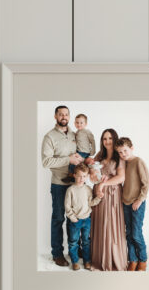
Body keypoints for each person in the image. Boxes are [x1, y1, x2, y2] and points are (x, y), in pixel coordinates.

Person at [41, 105, 84, 266]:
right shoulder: (49, 137)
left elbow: (80, 155)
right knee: (58, 218)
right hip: (59, 185)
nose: (64, 117)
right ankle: (57, 253)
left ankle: (76, 250)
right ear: (55, 116)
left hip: (76, 184)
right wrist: (68, 159)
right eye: (61, 114)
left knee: (76, 218)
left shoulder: (75, 135)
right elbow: (46, 162)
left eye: (66, 114)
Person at [89, 128, 127, 272]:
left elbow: (121, 178)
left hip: (113, 195)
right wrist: (94, 176)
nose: (107, 141)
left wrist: (104, 183)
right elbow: (93, 173)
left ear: (115, 139)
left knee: (111, 225)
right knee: (100, 224)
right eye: (104, 139)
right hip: (99, 194)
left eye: (110, 138)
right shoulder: (100, 155)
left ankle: (113, 259)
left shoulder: (119, 157)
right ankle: (99, 258)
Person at [116, 137, 149, 272]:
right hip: (126, 203)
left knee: (136, 233)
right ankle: (133, 260)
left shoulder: (138, 162)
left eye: (125, 150)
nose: (123, 154)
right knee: (129, 233)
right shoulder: (124, 164)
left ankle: (143, 259)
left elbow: (146, 183)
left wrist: (140, 200)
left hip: (137, 203)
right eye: (120, 152)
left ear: (131, 148)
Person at [63, 164, 100, 270]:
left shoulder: (88, 189)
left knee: (86, 242)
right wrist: (72, 217)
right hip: (75, 220)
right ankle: (75, 261)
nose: (81, 179)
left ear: (87, 176)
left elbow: (91, 203)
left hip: (87, 220)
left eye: (84, 176)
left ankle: (87, 261)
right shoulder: (71, 190)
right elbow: (67, 206)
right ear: (74, 175)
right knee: (73, 242)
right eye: (79, 176)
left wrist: (98, 198)